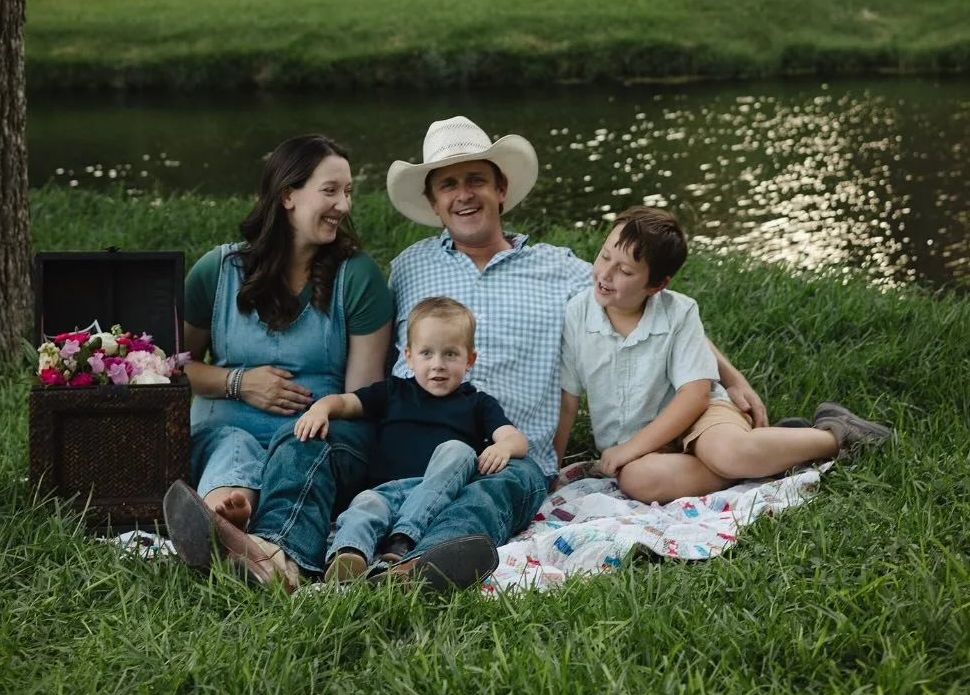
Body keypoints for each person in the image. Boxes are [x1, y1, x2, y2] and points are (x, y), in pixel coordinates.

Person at [367, 115, 769, 587]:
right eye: (448, 184)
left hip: (510, 454)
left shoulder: (559, 270)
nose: (463, 194)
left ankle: (424, 567)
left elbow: (656, 310)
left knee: (489, 496)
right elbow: (373, 348)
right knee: (367, 483)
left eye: (476, 179)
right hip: (414, 442)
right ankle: (321, 554)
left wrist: (734, 379)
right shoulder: (409, 267)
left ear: (501, 188)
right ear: (435, 203)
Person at [162, 133, 393, 588]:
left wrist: (320, 412)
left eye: (348, 192)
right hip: (227, 423)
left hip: (322, 434)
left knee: (299, 441)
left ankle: (271, 553)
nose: (344, 205)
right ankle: (225, 515)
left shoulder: (357, 276)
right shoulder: (218, 271)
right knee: (231, 446)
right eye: (330, 191)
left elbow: (365, 393)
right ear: (288, 194)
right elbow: (172, 368)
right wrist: (239, 383)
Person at [554, 205, 893, 504]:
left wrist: (631, 448)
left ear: (656, 286)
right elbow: (568, 401)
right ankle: (770, 453)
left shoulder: (679, 313)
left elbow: (695, 396)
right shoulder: (577, 314)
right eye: (604, 255)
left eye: (626, 271)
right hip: (644, 446)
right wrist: (549, 470)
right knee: (637, 480)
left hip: (700, 417)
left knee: (726, 452)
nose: (606, 273)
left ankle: (836, 435)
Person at [293, 295, 528, 583]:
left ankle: (402, 542)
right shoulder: (393, 392)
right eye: (426, 353)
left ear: (470, 359)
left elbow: (515, 439)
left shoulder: (477, 403)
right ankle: (348, 556)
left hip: (438, 495)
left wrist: (503, 446)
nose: (438, 364)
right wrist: (320, 409)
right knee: (365, 505)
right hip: (385, 491)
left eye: (450, 354)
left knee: (458, 450)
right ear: (408, 356)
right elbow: (345, 402)